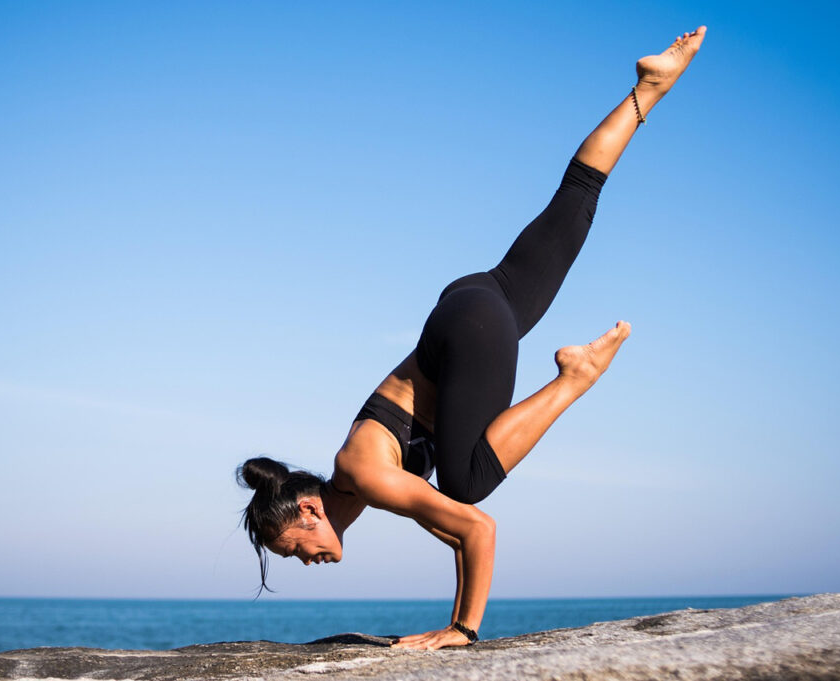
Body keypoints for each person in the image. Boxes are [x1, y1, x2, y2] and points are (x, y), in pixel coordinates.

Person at [235, 27, 707, 651]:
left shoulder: (364, 474)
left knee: (465, 484)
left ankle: (574, 378)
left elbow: (475, 527)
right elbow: (453, 529)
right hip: (471, 304)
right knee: (574, 203)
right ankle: (650, 88)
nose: (303, 561)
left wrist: (461, 629)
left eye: (292, 550)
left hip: (471, 332)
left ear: (308, 512)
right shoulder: (356, 482)